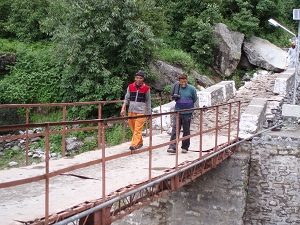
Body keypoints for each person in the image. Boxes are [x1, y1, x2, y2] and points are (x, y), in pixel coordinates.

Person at [120, 70, 151, 150]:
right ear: (135, 78)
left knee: (137, 129)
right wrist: (123, 108)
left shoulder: (146, 88)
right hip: (131, 111)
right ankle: (139, 142)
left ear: (143, 79)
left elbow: (148, 101)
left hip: (141, 112)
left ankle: (133, 145)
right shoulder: (130, 86)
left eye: (140, 78)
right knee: (133, 129)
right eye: (137, 78)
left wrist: (149, 113)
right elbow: (126, 99)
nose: (138, 79)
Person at [167, 73, 198, 154]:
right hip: (178, 112)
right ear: (179, 81)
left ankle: (185, 147)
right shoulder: (176, 88)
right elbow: (172, 97)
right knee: (175, 129)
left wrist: (189, 106)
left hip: (187, 113)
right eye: (181, 80)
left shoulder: (192, 89)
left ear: (187, 80)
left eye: (184, 80)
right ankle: (172, 147)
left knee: (186, 130)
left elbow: (195, 99)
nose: (183, 82)